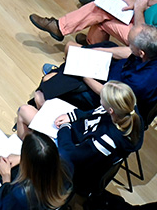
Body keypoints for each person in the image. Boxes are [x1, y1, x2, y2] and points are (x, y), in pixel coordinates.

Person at [15, 81, 143, 197]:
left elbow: (70, 154)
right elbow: (95, 113)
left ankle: (27, 155)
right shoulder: (128, 110)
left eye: (102, 99)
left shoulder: (106, 140)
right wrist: (72, 116)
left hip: (70, 152)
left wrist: (65, 127)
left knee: (24, 111)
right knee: (41, 101)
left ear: (110, 111)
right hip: (76, 134)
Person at [32, 25, 157, 115]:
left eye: (131, 44)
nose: (128, 44)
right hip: (119, 71)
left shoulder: (140, 82)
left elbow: (107, 94)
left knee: (45, 86)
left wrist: (82, 72)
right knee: (72, 47)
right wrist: (95, 51)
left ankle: (53, 85)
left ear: (141, 53)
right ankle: (62, 71)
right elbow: (128, 52)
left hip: (110, 97)